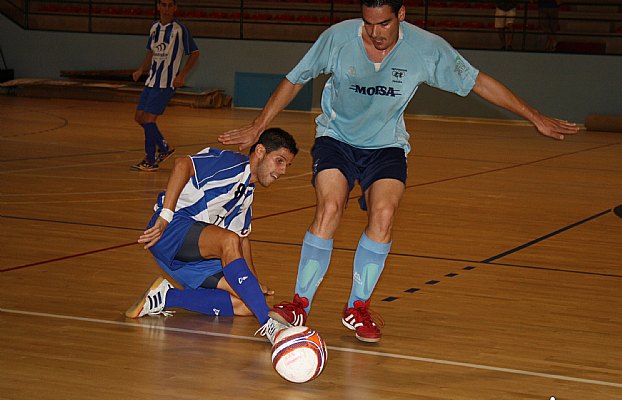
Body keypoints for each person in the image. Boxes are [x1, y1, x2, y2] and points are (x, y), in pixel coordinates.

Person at [218, 0, 578, 343]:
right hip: (336, 138)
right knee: (330, 207)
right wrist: (257, 125)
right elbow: (295, 79)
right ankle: (299, 305)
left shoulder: (426, 48)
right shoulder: (338, 38)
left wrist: (535, 117)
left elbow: (478, 82)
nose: (375, 33)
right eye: (369, 23)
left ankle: (357, 306)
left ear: (401, 14)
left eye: (385, 23)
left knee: (385, 213)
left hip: (386, 144)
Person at [125, 128, 299, 344]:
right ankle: (270, 325)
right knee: (228, 241)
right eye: (279, 161)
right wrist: (165, 216)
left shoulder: (246, 195)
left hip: (190, 256)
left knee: (246, 304)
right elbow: (182, 164)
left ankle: (165, 297)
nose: (282, 171)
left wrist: (253, 283)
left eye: (287, 165)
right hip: (171, 230)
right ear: (261, 151)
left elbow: (243, 239)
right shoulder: (231, 163)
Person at [130, 0, 200, 172]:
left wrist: (182, 75)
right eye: (163, 4)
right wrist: (141, 69)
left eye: (170, 5)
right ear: (158, 7)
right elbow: (151, 51)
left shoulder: (179, 30)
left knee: (148, 120)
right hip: (151, 81)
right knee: (139, 117)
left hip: (166, 83)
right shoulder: (154, 28)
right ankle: (161, 149)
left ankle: (153, 157)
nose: (167, 8)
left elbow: (195, 53)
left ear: (175, 8)